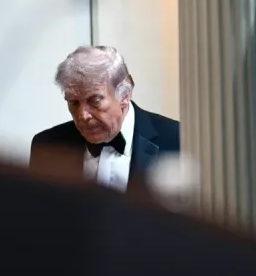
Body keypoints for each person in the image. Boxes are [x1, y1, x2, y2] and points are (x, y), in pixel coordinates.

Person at [29, 46, 180, 193]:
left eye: (94, 101)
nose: (83, 115)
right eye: (74, 103)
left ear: (125, 94)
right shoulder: (47, 147)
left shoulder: (177, 139)